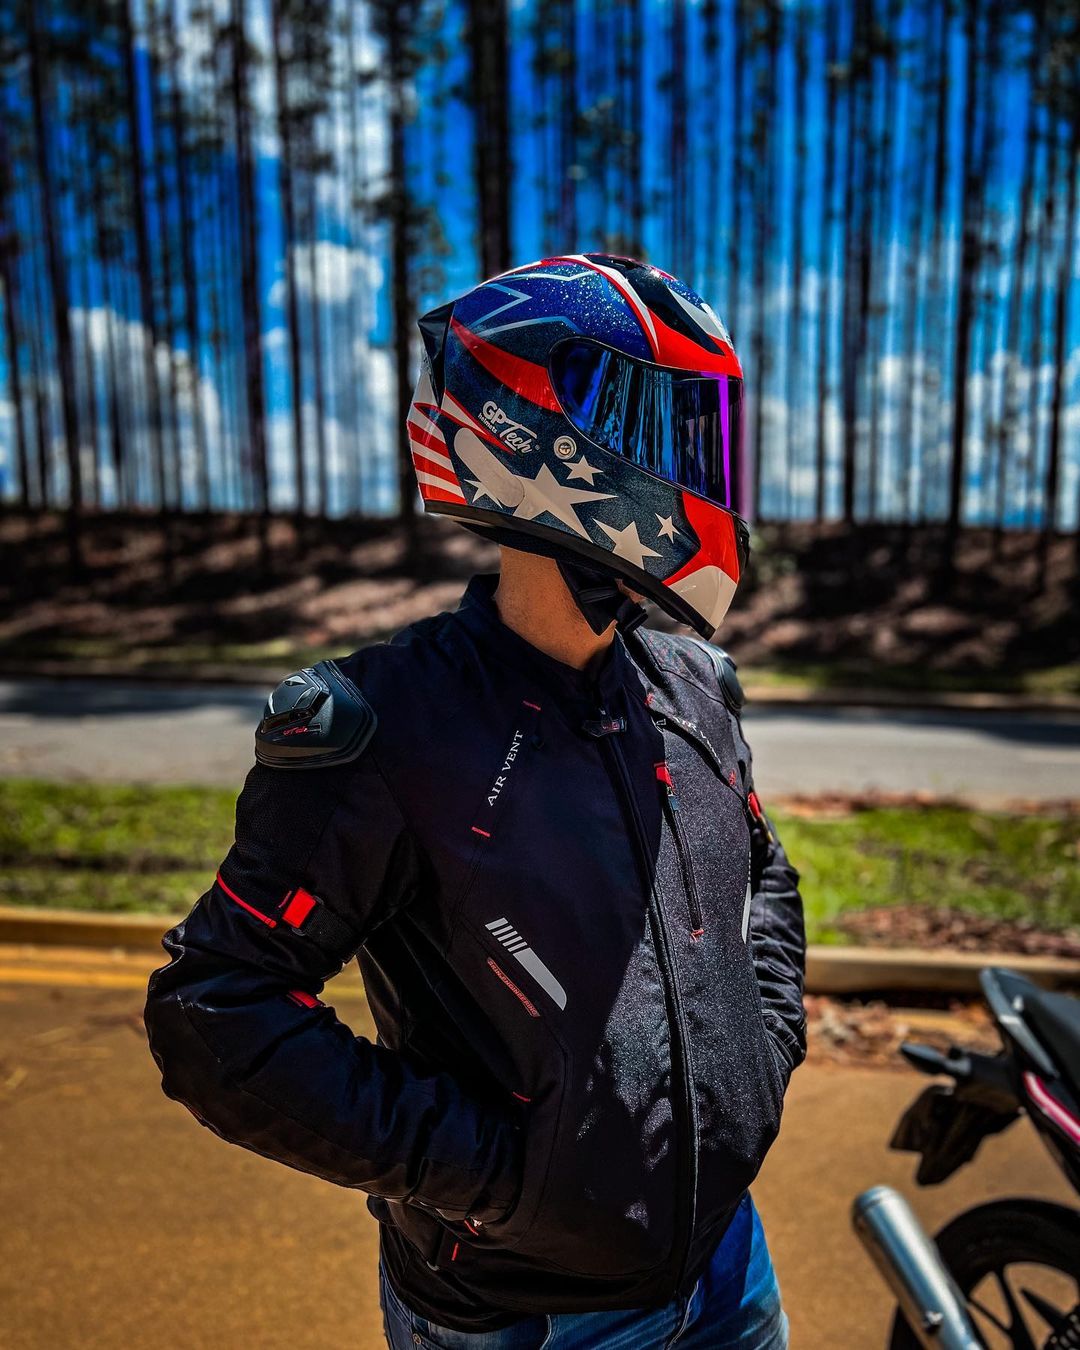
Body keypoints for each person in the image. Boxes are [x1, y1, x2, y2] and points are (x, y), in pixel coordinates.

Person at [144, 254, 806, 1349]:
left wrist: (764, 1055)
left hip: (729, 1269)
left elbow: (763, 873)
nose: (697, 463)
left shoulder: (695, 691)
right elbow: (215, 1012)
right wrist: (499, 1177)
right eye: (662, 425)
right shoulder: (386, 725)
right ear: (540, 437)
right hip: (524, 1318)